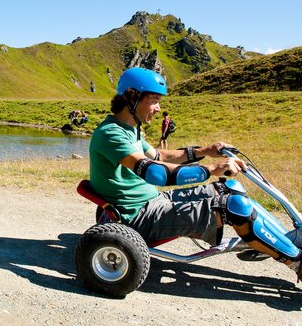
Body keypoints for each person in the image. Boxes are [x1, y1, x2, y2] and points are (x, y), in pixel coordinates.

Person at [89, 67, 301, 281]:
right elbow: (155, 173)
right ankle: (297, 262)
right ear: (132, 98)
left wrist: (205, 151)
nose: (158, 108)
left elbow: (159, 156)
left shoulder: (129, 129)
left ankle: (284, 242)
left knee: (231, 188)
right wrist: (211, 170)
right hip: (138, 216)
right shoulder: (111, 134)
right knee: (235, 207)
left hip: (154, 201)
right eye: (154, 100)